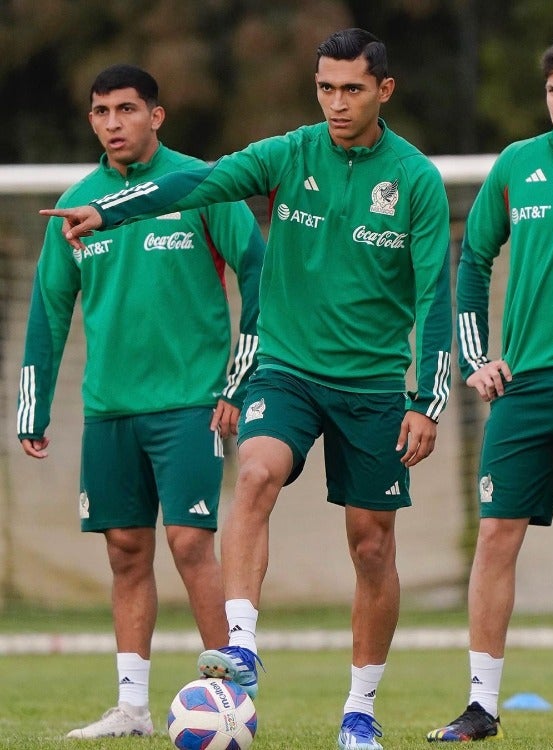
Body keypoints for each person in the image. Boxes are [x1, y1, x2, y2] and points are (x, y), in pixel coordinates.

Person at [40, 29, 452, 750]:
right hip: (287, 370)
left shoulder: (414, 180)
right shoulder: (288, 153)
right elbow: (196, 182)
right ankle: (242, 643)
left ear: (384, 91)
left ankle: (359, 710)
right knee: (256, 471)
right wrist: (111, 210)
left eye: (351, 89)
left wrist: (427, 400)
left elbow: (434, 299)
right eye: (325, 87)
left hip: (375, 383)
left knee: (371, 549)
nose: (335, 103)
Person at [19, 64, 265, 739]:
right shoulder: (74, 205)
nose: (113, 123)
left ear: (156, 114)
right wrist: (31, 407)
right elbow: (48, 310)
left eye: (126, 109)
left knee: (190, 542)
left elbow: (257, 270)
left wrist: (239, 382)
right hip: (109, 409)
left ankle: (229, 700)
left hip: (191, 402)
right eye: (101, 112)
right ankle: (131, 707)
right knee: (126, 550)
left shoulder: (203, 186)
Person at [425, 35, 553, 743]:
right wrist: (476, 357)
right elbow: (471, 264)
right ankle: (481, 705)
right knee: (496, 536)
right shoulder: (516, 165)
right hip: (522, 389)